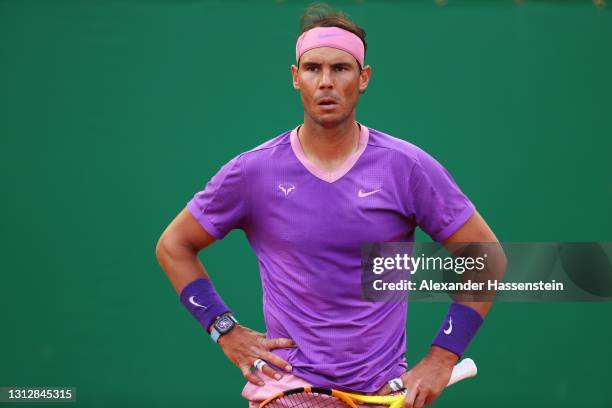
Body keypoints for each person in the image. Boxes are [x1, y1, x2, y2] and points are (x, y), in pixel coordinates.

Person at [156, 4, 504, 408]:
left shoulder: (406, 168)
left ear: (363, 78)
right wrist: (224, 330)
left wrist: (442, 358)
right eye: (313, 69)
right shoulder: (253, 171)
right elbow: (173, 245)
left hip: (381, 395)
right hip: (286, 396)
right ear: (295, 78)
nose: (326, 82)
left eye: (340, 68)